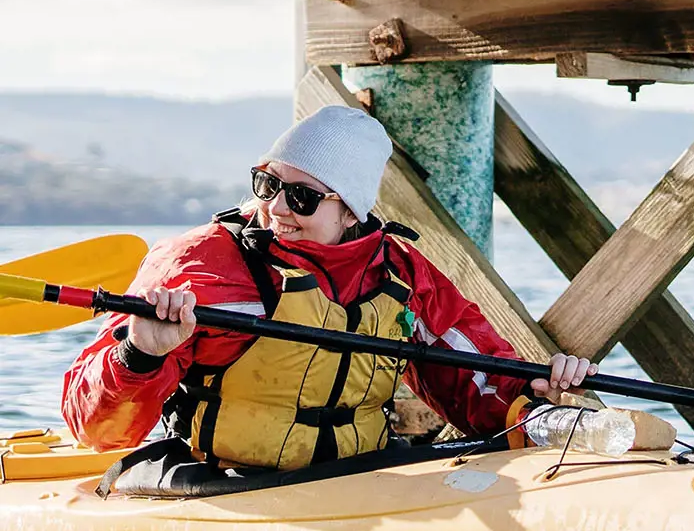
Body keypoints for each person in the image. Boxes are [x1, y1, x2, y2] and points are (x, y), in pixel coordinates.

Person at [62, 105, 595, 472]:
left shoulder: (401, 275)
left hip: (358, 481)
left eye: (302, 196)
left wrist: (534, 397)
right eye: (268, 184)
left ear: (351, 209)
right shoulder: (200, 265)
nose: (275, 208)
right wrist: (140, 354)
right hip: (220, 487)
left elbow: (476, 388)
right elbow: (97, 431)